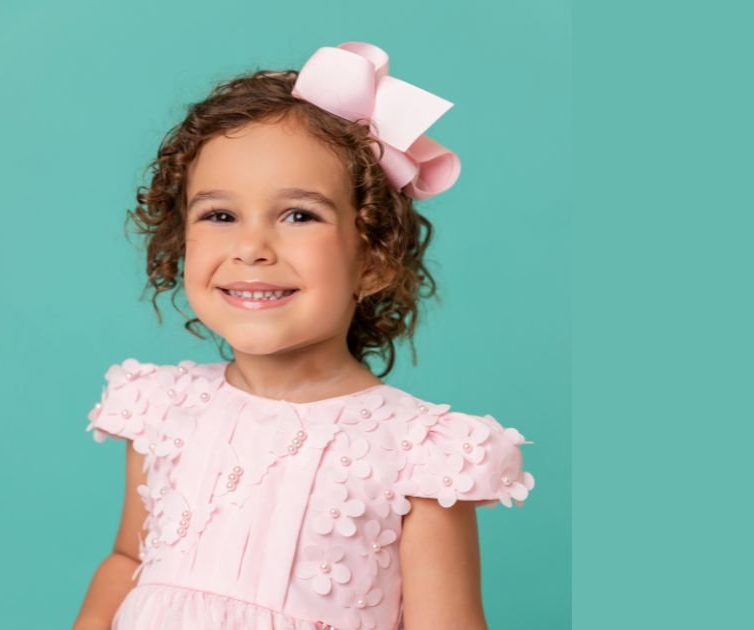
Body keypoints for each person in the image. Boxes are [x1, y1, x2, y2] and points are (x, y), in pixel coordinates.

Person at [73, 41, 536, 630]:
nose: (251, 248)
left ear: (373, 259)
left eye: (299, 215)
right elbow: (128, 559)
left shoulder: (417, 453)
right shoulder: (163, 412)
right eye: (220, 215)